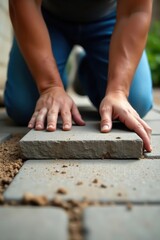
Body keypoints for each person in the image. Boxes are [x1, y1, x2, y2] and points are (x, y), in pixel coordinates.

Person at [5, 0, 153, 152]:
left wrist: (118, 91)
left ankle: (86, 71)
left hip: (112, 19)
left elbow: (135, 10)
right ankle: (58, 80)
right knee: (24, 108)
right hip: (44, 18)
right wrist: (50, 87)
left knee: (135, 102)